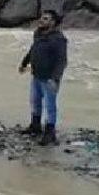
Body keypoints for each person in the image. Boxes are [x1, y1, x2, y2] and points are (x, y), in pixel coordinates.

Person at [18, 10, 68, 146]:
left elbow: (61, 61)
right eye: (41, 18)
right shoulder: (38, 34)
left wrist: (55, 79)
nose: (41, 20)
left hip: (49, 79)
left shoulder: (58, 39)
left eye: (45, 19)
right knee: (35, 101)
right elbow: (33, 49)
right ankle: (35, 126)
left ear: (53, 22)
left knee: (50, 106)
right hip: (36, 75)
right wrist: (24, 63)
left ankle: (50, 132)